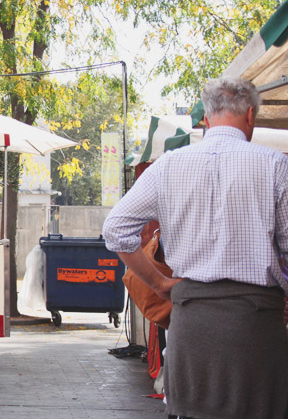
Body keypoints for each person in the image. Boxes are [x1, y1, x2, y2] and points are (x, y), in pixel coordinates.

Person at [103, 77, 288, 419]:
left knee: (192, 411)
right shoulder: (275, 165)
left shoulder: (169, 166)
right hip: (256, 324)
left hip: (191, 320)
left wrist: (159, 285)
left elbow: (115, 230)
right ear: (251, 116)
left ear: (206, 119)